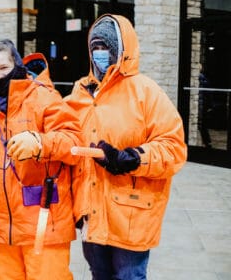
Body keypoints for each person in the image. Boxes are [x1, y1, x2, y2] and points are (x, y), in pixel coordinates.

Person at [65, 14, 187, 279]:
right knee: (99, 274)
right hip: (91, 210)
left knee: (129, 275)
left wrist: (131, 158)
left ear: (122, 50)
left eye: (106, 47)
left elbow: (173, 147)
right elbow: (62, 134)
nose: (100, 54)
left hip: (131, 211)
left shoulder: (146, 92)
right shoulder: (80, 92)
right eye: (95, 47)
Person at [0, 39, 82, 280]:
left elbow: (75, 142)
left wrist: (40, 143)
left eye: (3, 68)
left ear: (16, 65)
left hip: (44, 224)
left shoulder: (43, 96)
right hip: (2, 228)